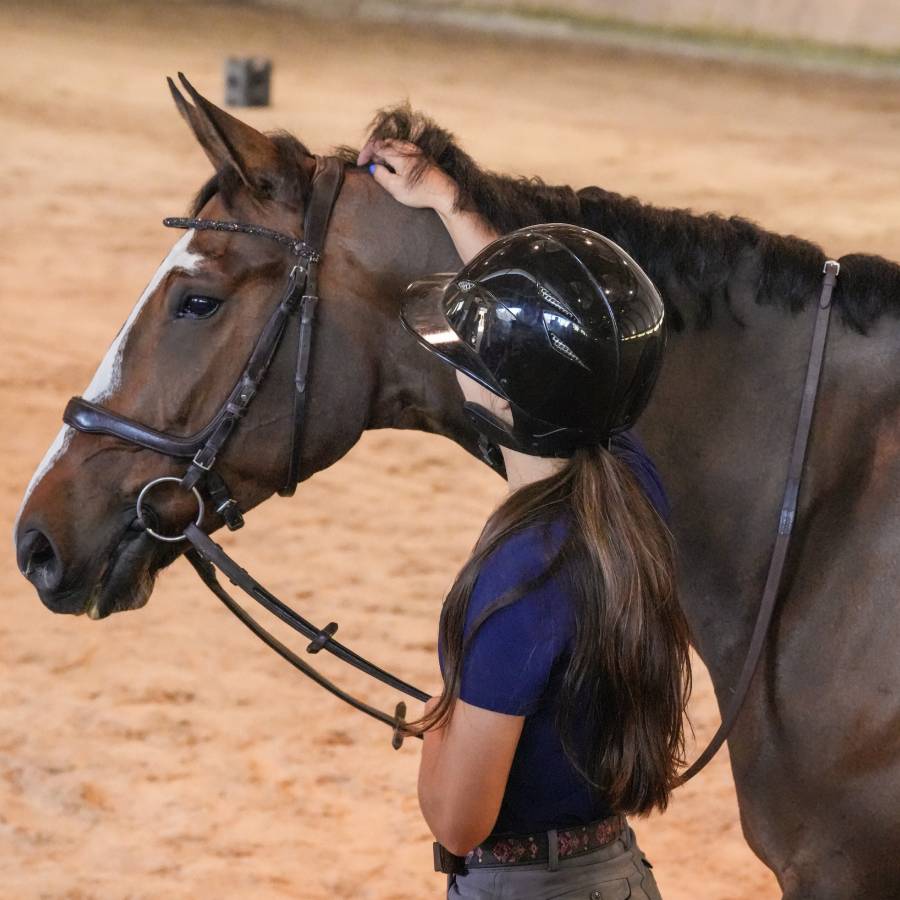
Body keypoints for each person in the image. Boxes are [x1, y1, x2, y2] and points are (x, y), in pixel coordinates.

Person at [357, 138, 691, 899]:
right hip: (616, 872)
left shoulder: (518, 578)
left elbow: (458, 821)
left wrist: (442, 718)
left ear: (503, 398)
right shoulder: (630, 486)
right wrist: (451, 203)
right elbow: (573, 340)